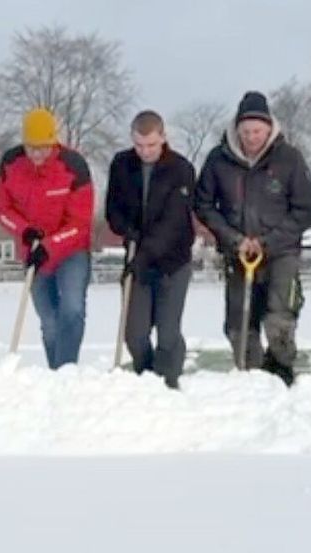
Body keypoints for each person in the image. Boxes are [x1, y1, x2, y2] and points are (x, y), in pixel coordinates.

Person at [193, 91, 311, 386]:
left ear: (269, 128)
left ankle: (282, 371)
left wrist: (268, 241)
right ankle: (250, 374)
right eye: (246, 131)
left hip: (281, 252)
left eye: (257, 131)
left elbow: (306, 208)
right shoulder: (218, 159)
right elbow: (203, 204)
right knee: (239, 322)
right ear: (237, 129)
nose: (252, 137)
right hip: (237, 251)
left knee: (279, 316)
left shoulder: (289, 158)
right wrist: (234, 239)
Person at [0, 107, 94, 369]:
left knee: (71, 310)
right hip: (33, 253)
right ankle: (55, 373)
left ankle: (66, 372)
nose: (37, 154)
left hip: (71, 250)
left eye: (43, 147)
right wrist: (24, 230)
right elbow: (3, 210)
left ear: (53, 142)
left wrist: (51, 245)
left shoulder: (73, 167)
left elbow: (80, 223)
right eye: (31, 147)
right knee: (49, 322)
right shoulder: (10, 164)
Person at [105, 110, 195, 389]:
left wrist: (146, 252)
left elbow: (173, 223)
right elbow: (113, 208)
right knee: (135, 334)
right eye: (139, 145)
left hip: (172, 261)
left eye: (151, 145)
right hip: (136, 260)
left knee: (168, 333)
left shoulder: (181, 169)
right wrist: (125, 228)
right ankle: (146, 380)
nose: (145, 151)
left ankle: (168, 382)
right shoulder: (121, 164)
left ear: (163, 138)